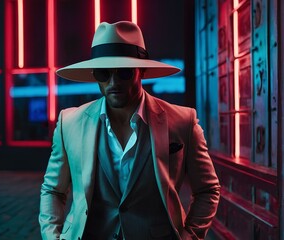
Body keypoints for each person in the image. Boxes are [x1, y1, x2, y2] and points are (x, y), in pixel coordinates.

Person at [39, 21, 220, 240]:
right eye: (104, 74)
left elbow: (207, 190)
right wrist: (52, 236)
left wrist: (191, 236)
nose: (113, 82)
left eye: (124, 72)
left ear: (141, 70)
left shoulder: (182, 121)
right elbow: (53, 190)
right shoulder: (70, 122)